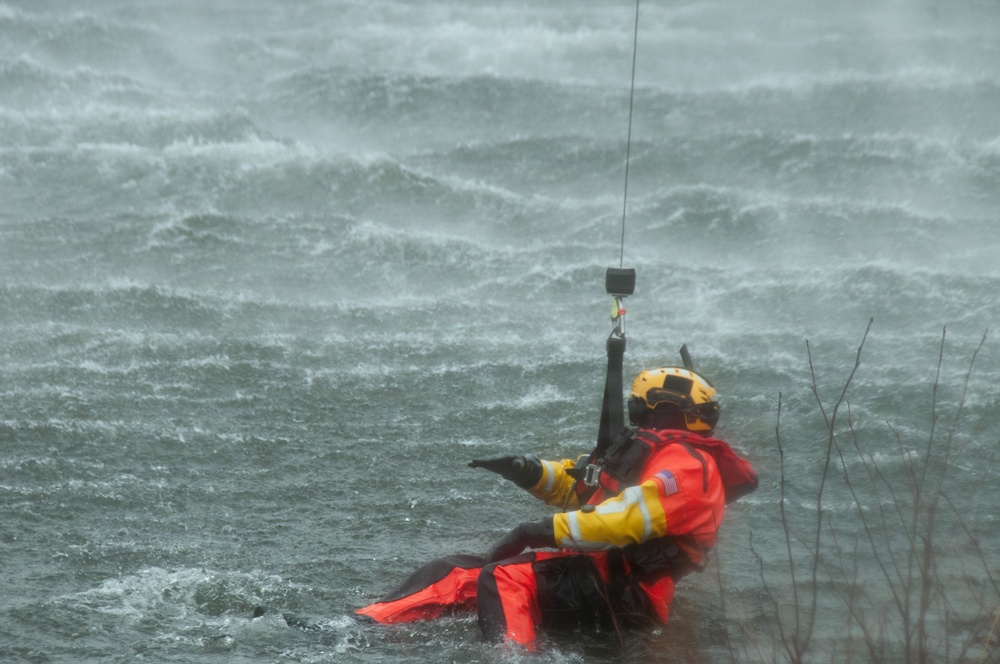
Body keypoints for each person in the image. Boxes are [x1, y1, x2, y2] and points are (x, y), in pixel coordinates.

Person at [355, 366, 757, 649]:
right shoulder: (651, 451)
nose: (634, 414)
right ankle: (364, 627)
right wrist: (526, 470)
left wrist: (537, 531)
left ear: (658, 408)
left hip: (627, 593)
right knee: (455, 571)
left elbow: (626, 520)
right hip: (596, 575)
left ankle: (514, 655)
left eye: (638, 406)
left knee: (504, 579)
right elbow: (583, 490)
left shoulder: (689, 465)